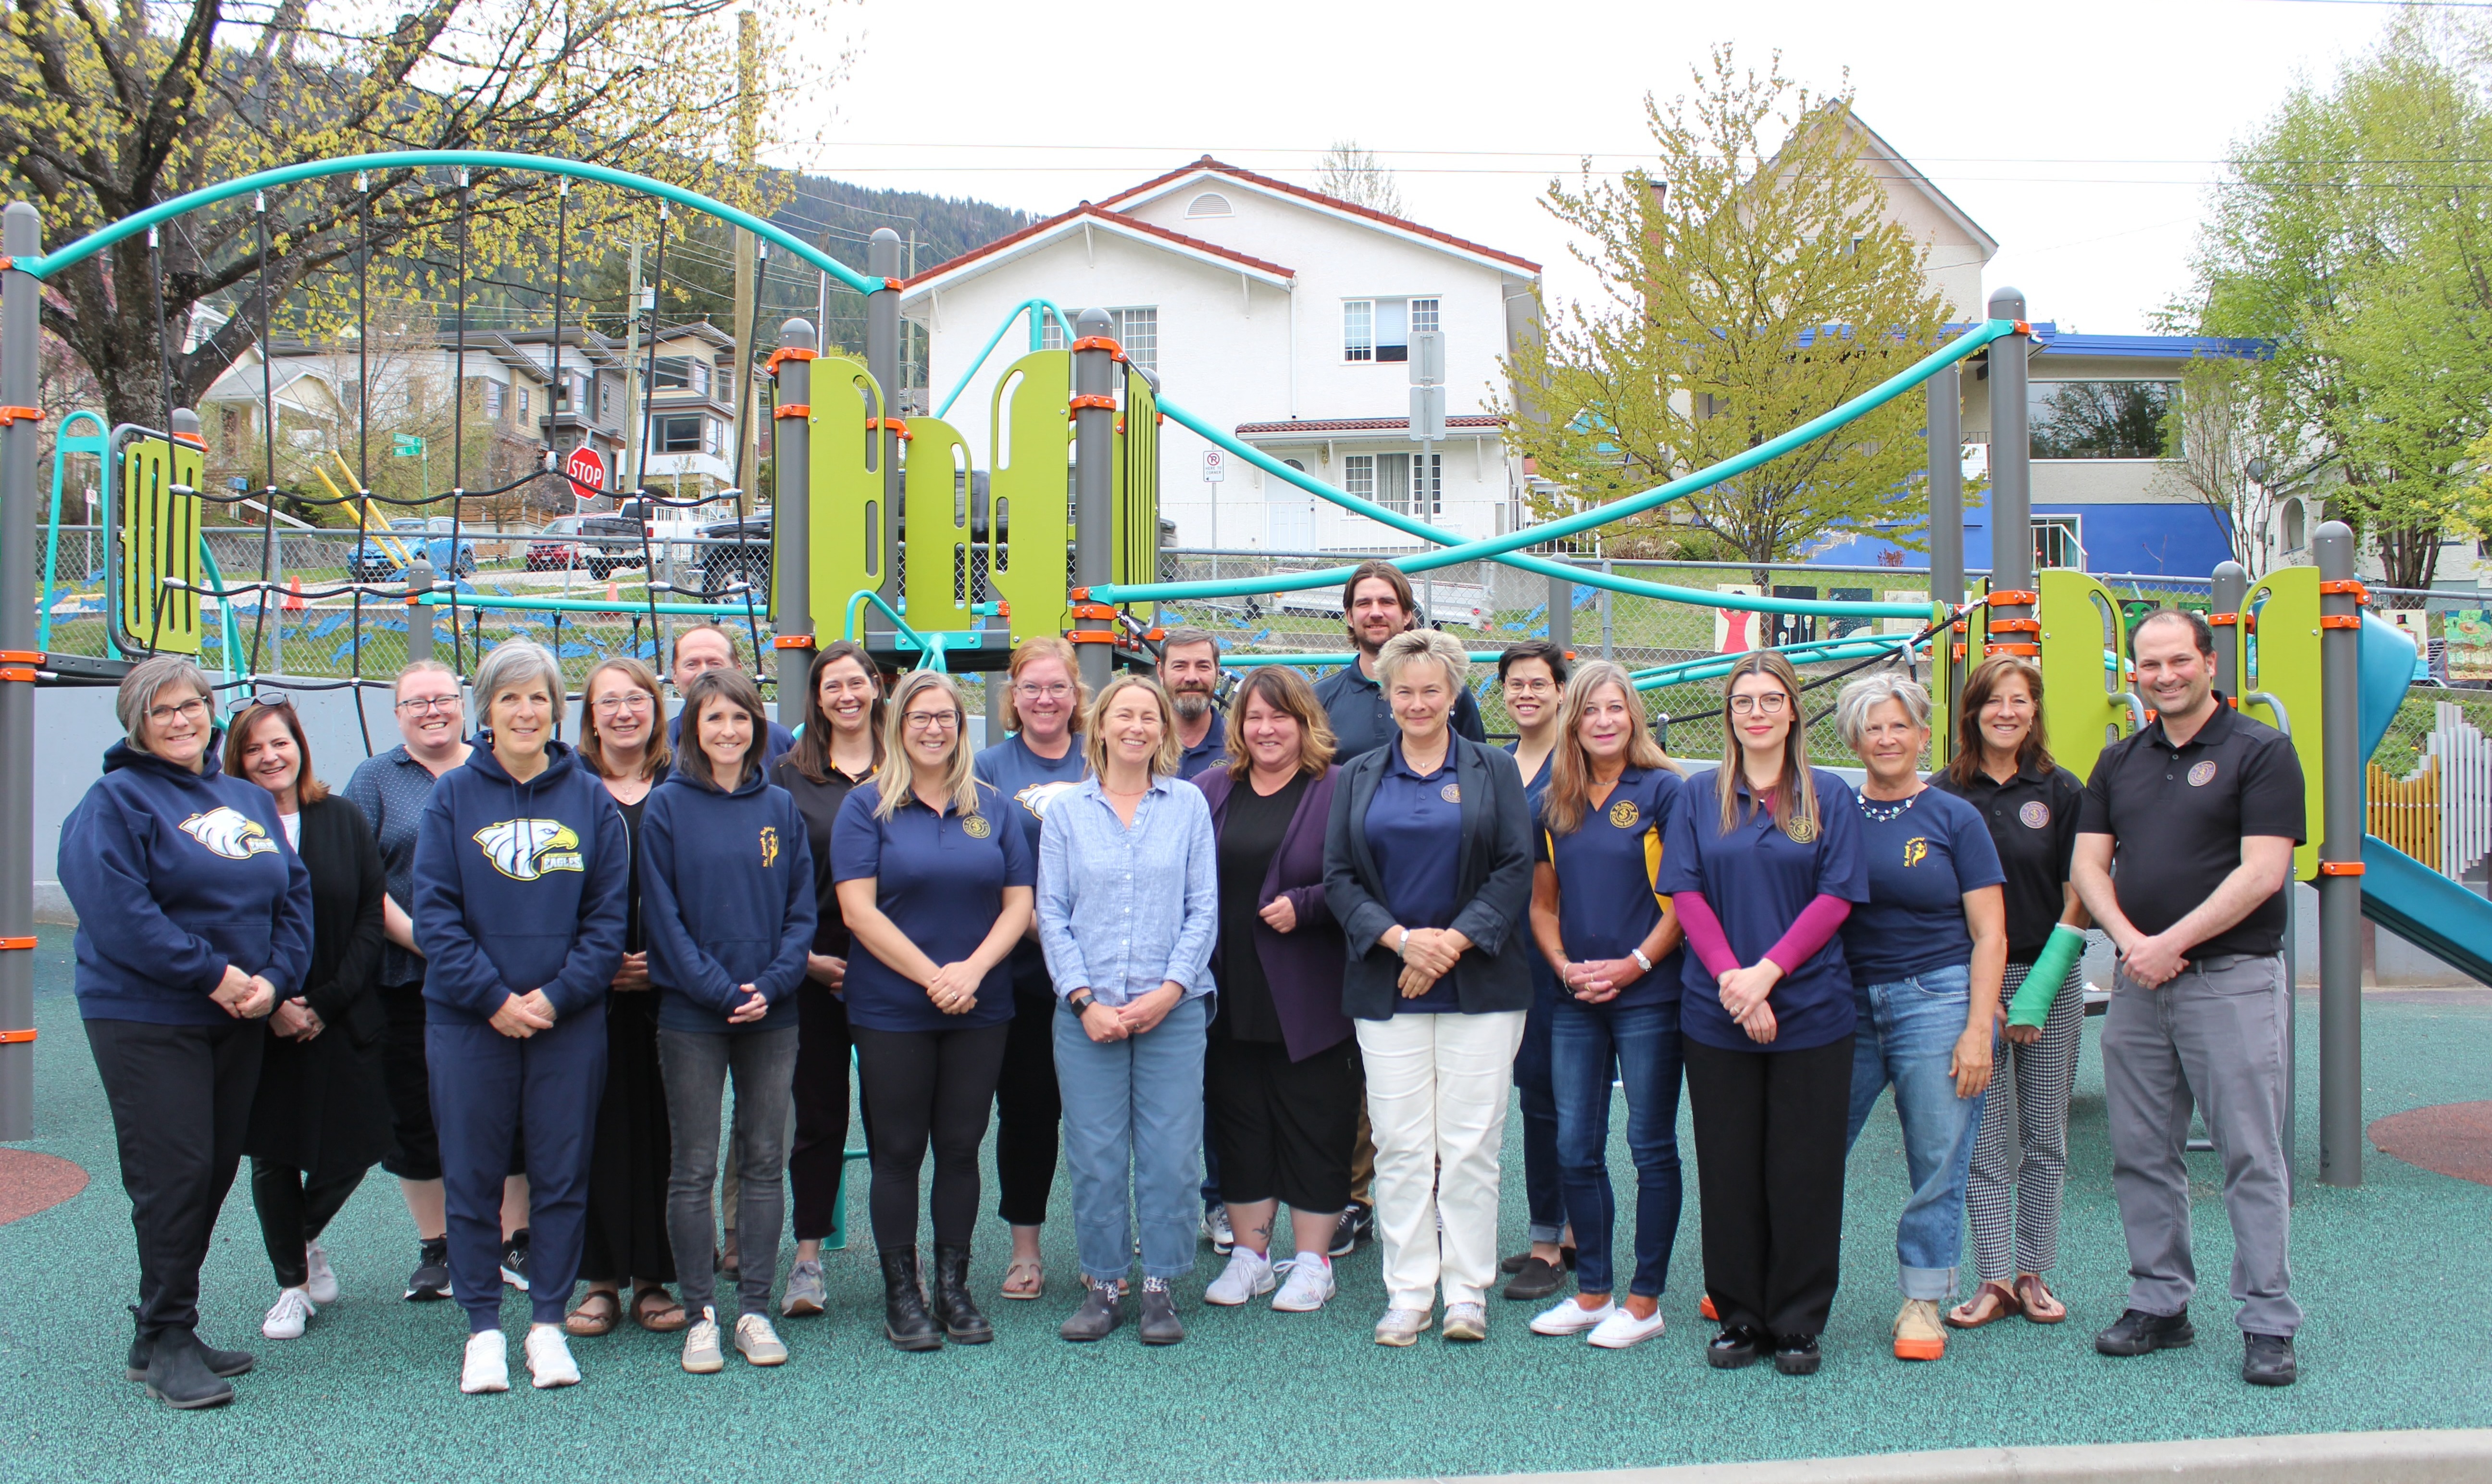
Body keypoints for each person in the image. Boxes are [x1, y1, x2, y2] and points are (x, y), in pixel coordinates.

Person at [60, 657, 311, 1409]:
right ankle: (169, 1338)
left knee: (210, 1172)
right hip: (146, 1015)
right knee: (172, 1172)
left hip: (236, 1015)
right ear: (136, 722)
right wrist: (214, 975)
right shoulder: (115, 801)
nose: (181, 720)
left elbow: (292, 896)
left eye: (193, 705)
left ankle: (157, 1328)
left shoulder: (245, 798)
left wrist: (273, 980)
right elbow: (119, 915)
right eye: (162, 710)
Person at [2072, 609, 2305, 1387]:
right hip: (2141, 983)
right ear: (2131, 673)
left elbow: (2261, 872)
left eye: (2177, 660)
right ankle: (2158, 1301)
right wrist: (2132, 943)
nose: (2163, 675)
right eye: (2148, 664)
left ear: (2207, 662)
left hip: (2228, 977)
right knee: (2140, 1150)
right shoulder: (2118, 761)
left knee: (2248, 1150)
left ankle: (2266, 1317)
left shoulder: (2259, 751)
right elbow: (2087, 867)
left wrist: (2169, 940)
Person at [411, 640, 629, 1394]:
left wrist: (555, 998)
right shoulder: (452, 797)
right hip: (470, 1022)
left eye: (538, 697)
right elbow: (434, 914)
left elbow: (607, 922)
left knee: (562, 1174)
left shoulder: (592, 799)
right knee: (471, 1177)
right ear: (488, 711)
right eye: (510, 698)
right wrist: (495, 999)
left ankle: (545, 1325)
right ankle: (481, 1331)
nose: (525, 711)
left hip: (567, 1023)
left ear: (556, 709)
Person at [1657, 651, 1869, 1378]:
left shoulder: (1829, 797)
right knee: (1731, 1167)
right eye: (1744, 700)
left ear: (1792, 711)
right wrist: (1733, 984)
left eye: (1770, 699)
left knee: (1804, 1169)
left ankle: (1800, 1322)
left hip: (1810, 1012)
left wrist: (1768, 977)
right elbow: (1686, 897)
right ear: (1729, 715)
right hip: (1717, 1016)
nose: (1756, 711)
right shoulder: (1697, 796)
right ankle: (1742, 1314)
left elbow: (1835, 899)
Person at [1323, 629, 1534, 1346]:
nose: (1418, 702)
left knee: (1472, 1144)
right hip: (1389, 987)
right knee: (1402, 1145)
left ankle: (1466, 1292)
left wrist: (1449, 944)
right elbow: (1339, 879)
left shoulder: (1494, 768)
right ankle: (1409, 1291)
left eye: (1431, 690)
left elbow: (1515, 867)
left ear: (1454, 695)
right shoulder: (1356, 775)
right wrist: (1405, 942)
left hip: (1480, 985)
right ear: (1387, 698)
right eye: (1404, 690)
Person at [833, 671, 1035, 1351]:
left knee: (959, 1147)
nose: (932, 728)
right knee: (897, 1152)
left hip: (980, 1006)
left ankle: (954, 1286)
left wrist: (972, 971)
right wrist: (932, 977)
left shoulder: (995, 809)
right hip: (893, 1007)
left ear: (961, 726)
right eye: (919, 717)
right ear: (898, 725)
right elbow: (857, 910)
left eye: (945, 717)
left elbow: (1019, 905)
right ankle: (903, 1292)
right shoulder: (866, 809)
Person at [642, 668, 817, 1373]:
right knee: (693, 1165)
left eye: (740, 719)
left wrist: (772, 984)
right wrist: (717, 990)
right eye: (713, 719)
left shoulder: (779, 806)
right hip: (693, 1012)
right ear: (691, 728)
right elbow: (664, 916)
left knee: (764, 1160)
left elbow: (802, 911)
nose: (728, 732)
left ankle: (753, 1310)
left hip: (772, 1012)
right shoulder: (666, 808)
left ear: (757, 727)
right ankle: (700, 1315)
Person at [1039, 677, 1219, 1345]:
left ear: (1163, 731)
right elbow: (1051, 913)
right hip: (1088, 1015)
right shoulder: (1066, 812)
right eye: (1126, 715)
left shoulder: (1188, 806)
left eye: (1151, 716)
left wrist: (1170, 990)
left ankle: (1160, 1285)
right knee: (1095, 1153)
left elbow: (1204, 908)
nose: (1138, 726)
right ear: (1102, 727)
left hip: (1173, 1010)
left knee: (1172, 1153)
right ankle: (1104, 1282)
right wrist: (1083, 999)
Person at [345, 662, 529, 1301]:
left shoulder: (498, 767)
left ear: (464, 707)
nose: (431, 711)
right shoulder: (373, 780)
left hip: (497, 974)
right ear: (397, 714)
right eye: (415, 702)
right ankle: (441, 1246)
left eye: (443, 699)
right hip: (406, 974)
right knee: (417, 1114)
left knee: (509, 1109)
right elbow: (362, 880)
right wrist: (429, 941)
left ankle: (513, 1240)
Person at [1834, 673, 2005, 1363]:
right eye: (1872, 727)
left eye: (1898, 725)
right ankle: (1781, 1277)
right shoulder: (1834, 812)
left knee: (1938, 1157)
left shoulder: (1953, 817)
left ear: (1923, 735)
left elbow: (1990, 932)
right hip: (1843, 1002)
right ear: (1853, 738)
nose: (1885, 738)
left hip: (1934, 998)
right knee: (1809, 1149)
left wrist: (1976, 1027)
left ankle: (1923, 1300)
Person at [1522, 662, 1688, 1351]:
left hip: (1649, 994)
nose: (1602, 722)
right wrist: (1564, 968)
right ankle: (1593, 1291)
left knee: (1649, 1145)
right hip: (1577, 997)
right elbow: (1542, 903)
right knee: (1573, 1146)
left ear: (1633, 716)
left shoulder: (1665, 792)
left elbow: (1684, 903)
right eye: (1590, 711)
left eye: (1615, 709)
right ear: (1573, 720)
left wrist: (1634, 965)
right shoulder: (1553, 803)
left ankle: (1644, 1301)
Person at [1932, 654, 2090, 1331]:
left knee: (2046, 1133)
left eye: (2020, 701)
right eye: (1994, 701)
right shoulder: (1945, 793)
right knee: (1984, 1136)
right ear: (1972, 711)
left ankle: (2033, 1270)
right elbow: (1939, 904)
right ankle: (1993, 1276)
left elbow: (2080, 892)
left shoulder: (2061, 791)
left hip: (2047, 981)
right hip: (1973, 987)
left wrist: (2039, 990)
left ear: (2034, 710)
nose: (2007, 712)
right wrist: (1985, 997)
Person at [1190, 668, 1355, 1316]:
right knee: (1241, 1126)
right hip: (1228, 990)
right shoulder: (1210, 790)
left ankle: (1313, 1263)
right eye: (1255, 718)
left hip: (1310, 995)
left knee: (1316, 1123)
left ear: (1305, 721)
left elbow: (1367, 878)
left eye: (1279, 717)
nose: (1266, 730)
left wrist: (1308, 905)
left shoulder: (1340, 790)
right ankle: (1252, 1257)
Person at [228, 699, 390, 1344]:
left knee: (360, 1142)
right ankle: (292, 1284)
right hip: (259, 1017)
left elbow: (370, 920)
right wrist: (272, 1006)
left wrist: (323, 1003)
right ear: (237, 760)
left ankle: (300, 1237)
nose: (271, 756)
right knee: (273, 1155)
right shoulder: (228, 826)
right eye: (254, 748)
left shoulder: (342, 818)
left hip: (340, 1011)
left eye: (281, 742)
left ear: (300, 746)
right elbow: (222, 920)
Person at [563, 659, 685, 1339]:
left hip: (671, 992)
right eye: (609, 702)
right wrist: (596, 965)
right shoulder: (570, 787)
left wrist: (660, 964)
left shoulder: (681, 784)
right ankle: (600, 1278)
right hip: (589, 990)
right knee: (596, 1133)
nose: (623, 713)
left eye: (637, 699)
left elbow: (703, 887)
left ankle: (654, 1277)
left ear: (656, 710)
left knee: (666, 1133)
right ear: (590, 716)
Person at [971, 636, 1089, 1300]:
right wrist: (1044, 934)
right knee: (1027, 1112)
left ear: (1076, 695)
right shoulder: (989, 765)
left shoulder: (1099, 759)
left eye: (1057, 687)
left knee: (1104, 1115)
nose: (1045, 699)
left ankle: (1105, 1240)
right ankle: (1025, 1248)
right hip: (1020, 971)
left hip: (1098, 971)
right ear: (1013, 698)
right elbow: (988, 866)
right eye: (1031, 688)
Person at [773, 641, 885, 1319]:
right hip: (812, 972)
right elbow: (776, 882)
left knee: (896, 1124)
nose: (846, 695)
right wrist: (806, 958)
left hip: (889, 974)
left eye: (856, 682)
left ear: (876, 687)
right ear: (816, 700)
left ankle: (902, 1259)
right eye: (831, 686)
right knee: (816, 1121)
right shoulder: (790, 778)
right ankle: (808, 1260)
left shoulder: (906, 767)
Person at [1497, 640, 1574, 1302]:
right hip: (1506, 949)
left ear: (1560, 692)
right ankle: (1563, 1228)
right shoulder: (1497, 767)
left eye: (1538, 684)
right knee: (1535, 1093)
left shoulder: (1575, 766)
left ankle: (1552, 1241)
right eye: (1515, 685)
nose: (1526, 695)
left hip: (1560, 947)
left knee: (1555, 1095)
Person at [1313, 560, 1487, 761]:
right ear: (1350, 617)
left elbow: (1478, 769)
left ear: (1406, 615)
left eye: (1387, 602)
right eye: (1364, 603)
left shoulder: (1449, 691)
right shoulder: (1320, 699)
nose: (1376, 613)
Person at [667, 623, 796, 772]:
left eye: (715, 663)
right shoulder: (657, 743)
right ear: (674, 676)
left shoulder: (778, 740)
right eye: (691, 664)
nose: (704, 673)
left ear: (737, 672)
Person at [1160, 627, 1229, 781]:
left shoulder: (1242, 747)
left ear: (1217, 673)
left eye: (1203, 666)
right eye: (1180, 666)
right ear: (1161, 673)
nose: (1192, 678)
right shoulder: (1142, 744)